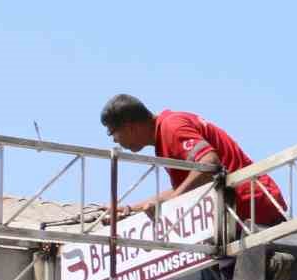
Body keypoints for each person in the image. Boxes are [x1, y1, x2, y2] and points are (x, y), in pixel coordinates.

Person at [99, 95, 286, 226]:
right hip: (243, 213)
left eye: (112, 132)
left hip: (250, 211)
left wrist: (170, 202)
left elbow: (209, 165)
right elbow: (188, 184)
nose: (115, 140)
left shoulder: (171, 127)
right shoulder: (165, 133)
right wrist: (130, 209)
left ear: (129, 126)